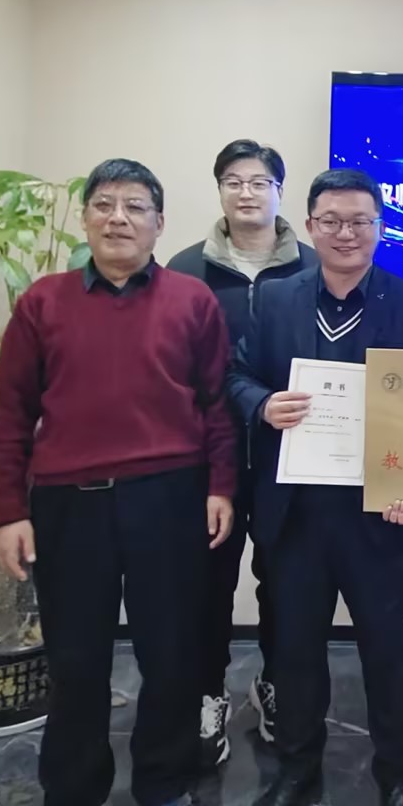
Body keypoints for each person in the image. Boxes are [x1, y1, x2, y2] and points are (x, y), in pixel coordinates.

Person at [0, 158, 237, 806]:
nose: (118, 218)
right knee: (76, 658)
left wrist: (221, 484)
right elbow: (10, 412)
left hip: (169, 498)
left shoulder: (193, 300)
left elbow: (216, 404)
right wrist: (7, 511)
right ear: (86, 219)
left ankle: (163, 786)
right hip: (70, 505)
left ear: (159, 223)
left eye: (134, 207)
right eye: (103, 204)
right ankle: (74, 794)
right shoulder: (43, 302)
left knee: (171, 653)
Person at [227, 169, 403, 806]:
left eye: (360, 221)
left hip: (376, 514)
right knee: (293, 650)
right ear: (310, 226)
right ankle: (296, 769)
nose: (346, 233)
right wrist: (263, 405)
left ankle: (399, 778)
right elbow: (235, 374)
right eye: (332, 221)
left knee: (388, 649)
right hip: (293, 514)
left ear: (379, 227)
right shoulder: (276, 299)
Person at [167, 139, 315, 766]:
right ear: (220, 190)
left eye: (259, 182)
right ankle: (208, 692)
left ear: (279, 190)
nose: (246, 192)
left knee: (285, 583)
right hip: (209, 461)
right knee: (207, 584)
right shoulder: (185, 270)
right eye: (233, 181)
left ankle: (275, 683)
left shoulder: (313, 265)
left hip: (294, 458)